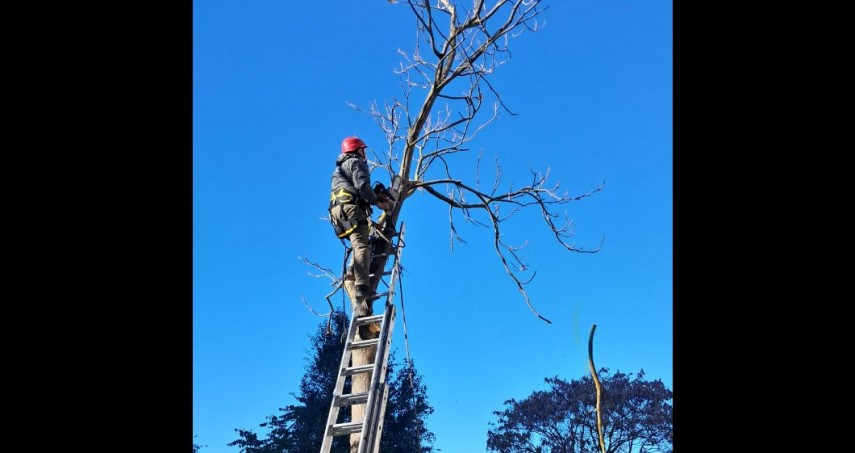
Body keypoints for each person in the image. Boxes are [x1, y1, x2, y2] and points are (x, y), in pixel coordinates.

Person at [329, 136, 391, 300]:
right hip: (351, 209)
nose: (365, 154)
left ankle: (351, 273)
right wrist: (378, 202)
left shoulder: (338, 170)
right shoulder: (356, 163)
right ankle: (363, 287)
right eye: (363, 150)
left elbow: (352, 189)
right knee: (361, 246)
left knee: (359, 243)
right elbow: (362, 186)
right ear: (357, 150)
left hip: (336, 213)